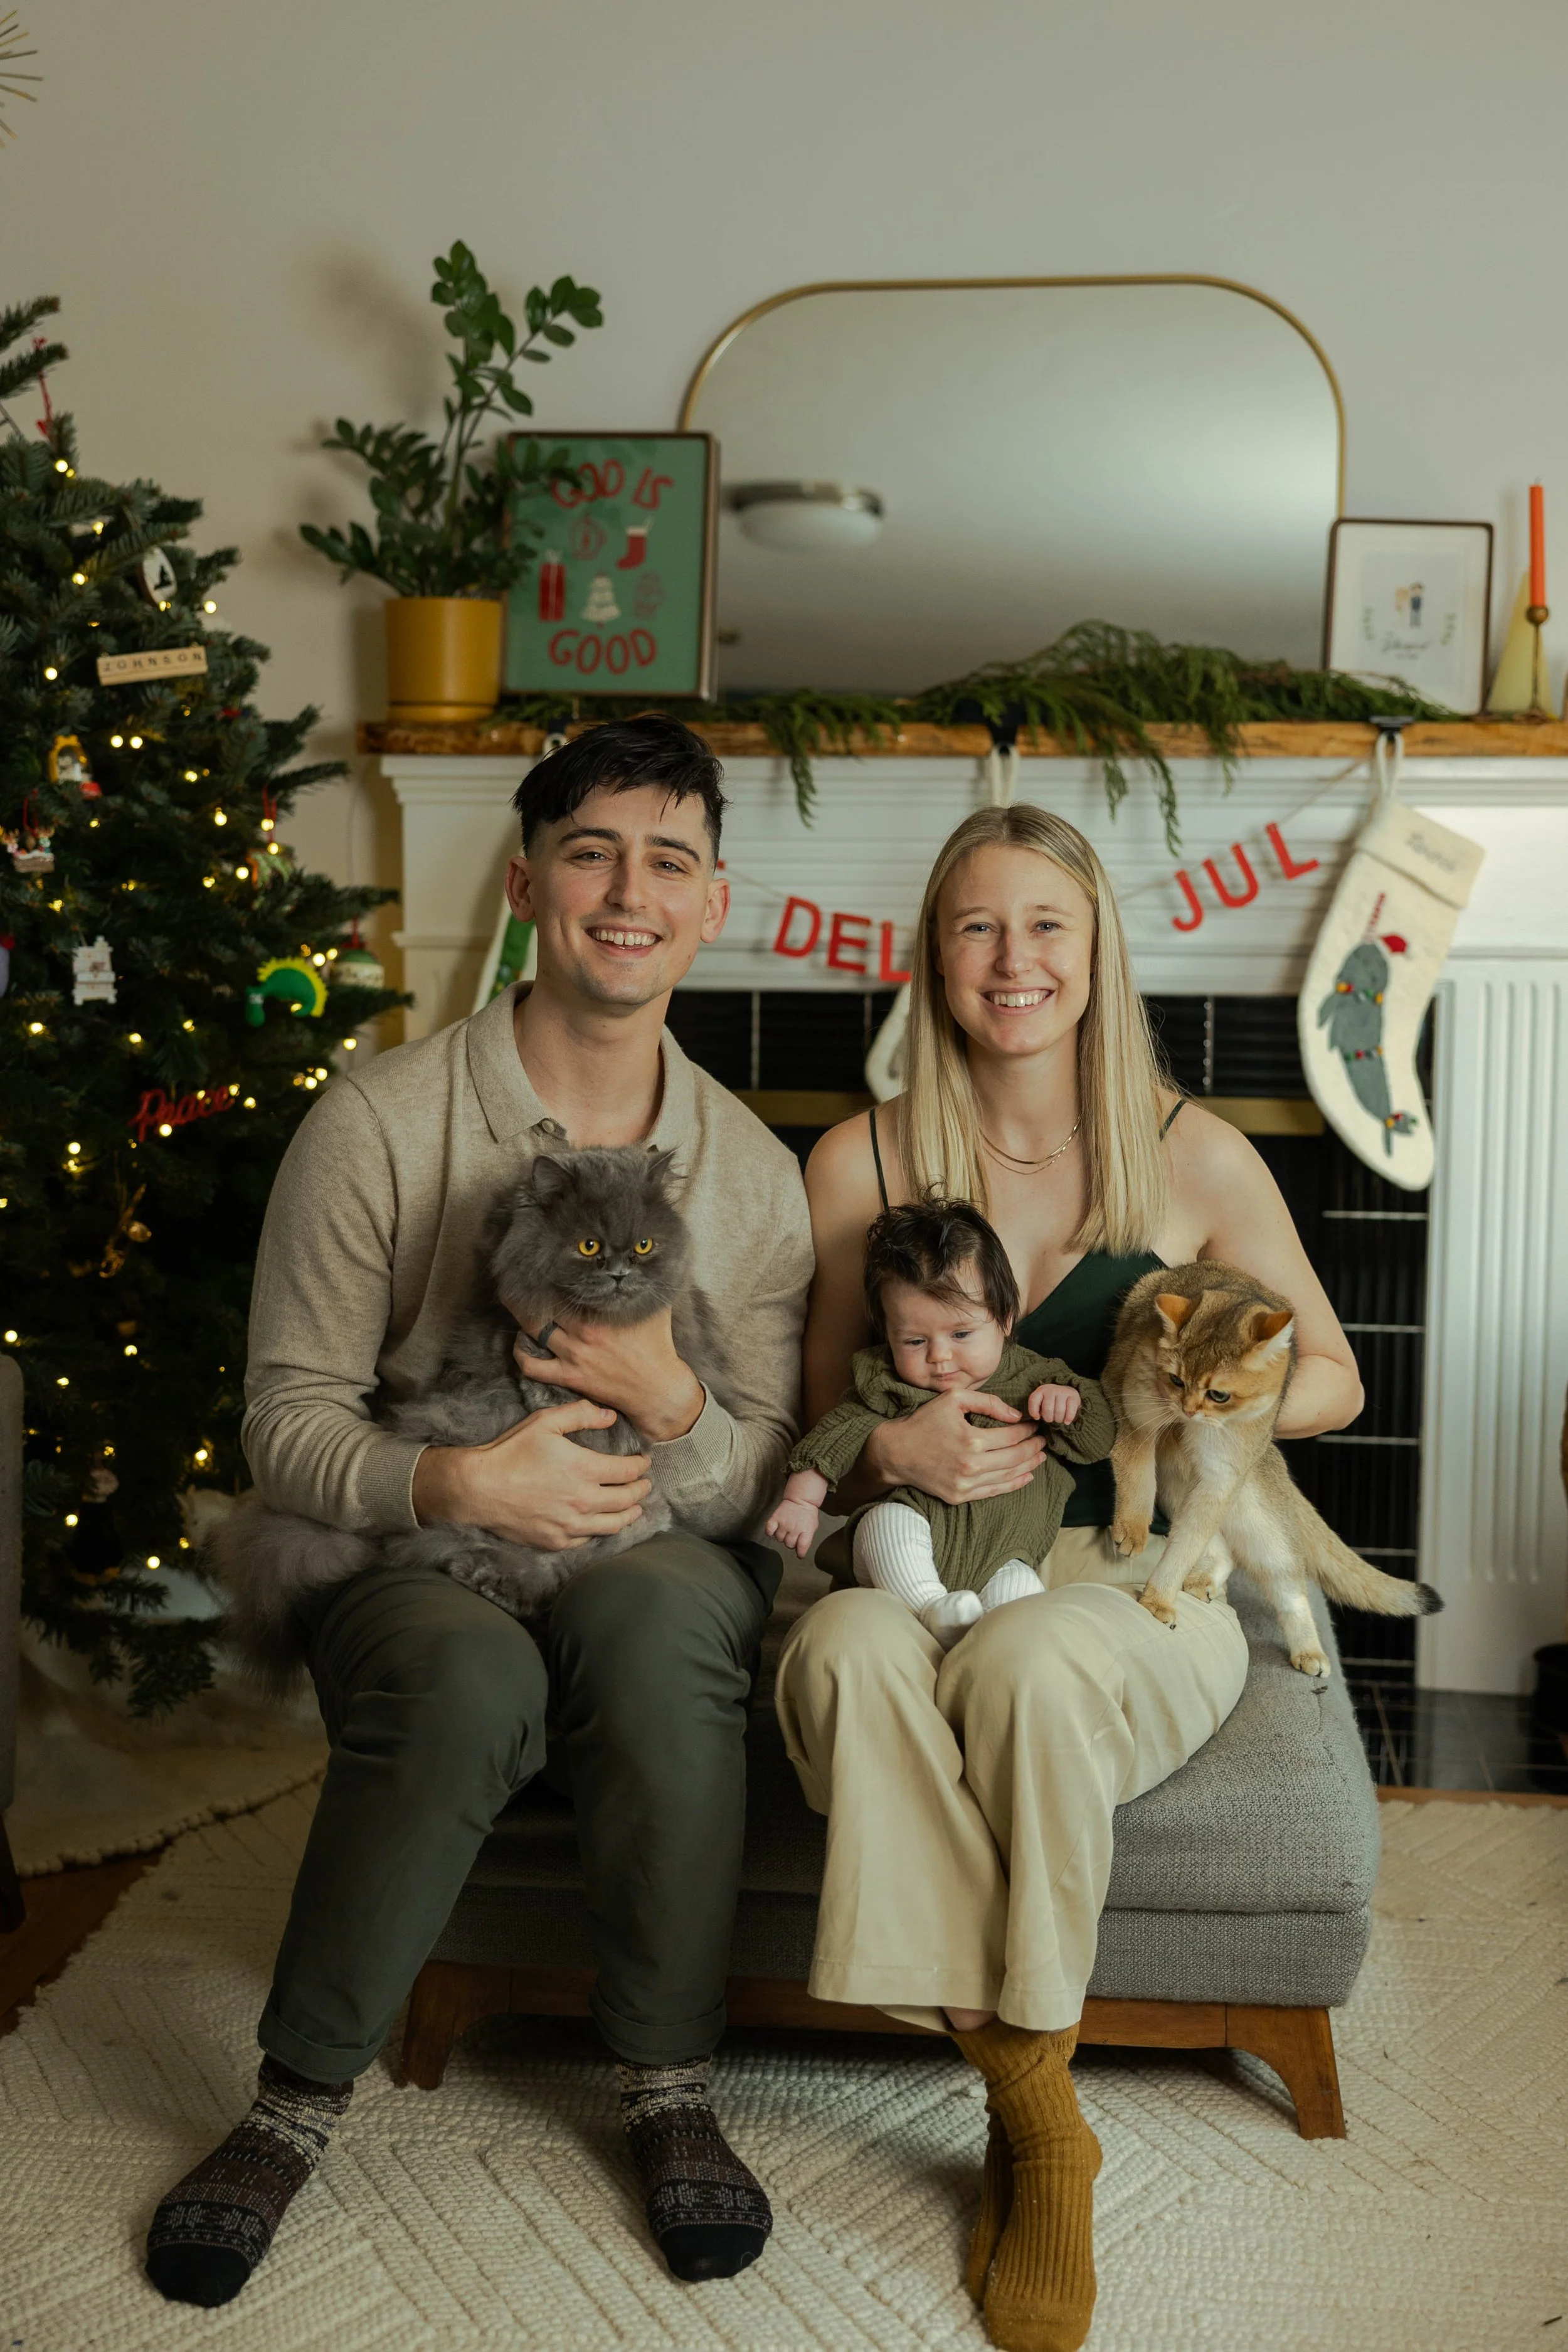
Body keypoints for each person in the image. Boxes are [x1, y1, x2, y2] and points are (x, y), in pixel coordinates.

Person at [145, 716, 813, 2308]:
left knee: (657, 1635)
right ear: (528, 883)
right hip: (425, 1543)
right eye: (591, 852)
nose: (627, 891)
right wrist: (451, 1479)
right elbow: (284, 1416)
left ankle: (668, 2083)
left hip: (660, 1544)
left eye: (668, 860)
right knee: (461, 1676)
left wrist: (666, 1403)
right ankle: (293, 2100)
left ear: (715, 901)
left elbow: (757, 1464)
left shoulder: (753, 1174)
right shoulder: (377, 1121)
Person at [773, 801, 1363, 2352]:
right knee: (836, 1648)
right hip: (919, 1565)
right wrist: (892, 1459)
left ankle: (1033, 2128)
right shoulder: (863, 1156)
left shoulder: (1195, 1151)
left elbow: (1337, 1379)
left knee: (1027, 1667)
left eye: (1046, 923)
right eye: (978, 926)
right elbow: (813, 1420)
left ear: (1096, 950)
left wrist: (1192, 1391)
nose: (1012, 958)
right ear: (934, 956)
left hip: (1115, 1580)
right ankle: (1040, 2103)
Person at [767, 1198, 1115, 1647]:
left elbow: (1099, 1439)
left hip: (1005, 1549)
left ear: (1005, 1319)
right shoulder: (887, 1382)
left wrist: (1068, 1404)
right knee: (886, 1524)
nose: (940, 1356)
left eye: (961, 1334)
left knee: (1022, 1595)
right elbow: (839, 1431)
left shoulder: (1036, 1377)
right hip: (913, 1529)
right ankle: (930, 1608)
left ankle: (986, 1650)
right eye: (914, 1340)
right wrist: (801, 1500)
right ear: (887, 1336)